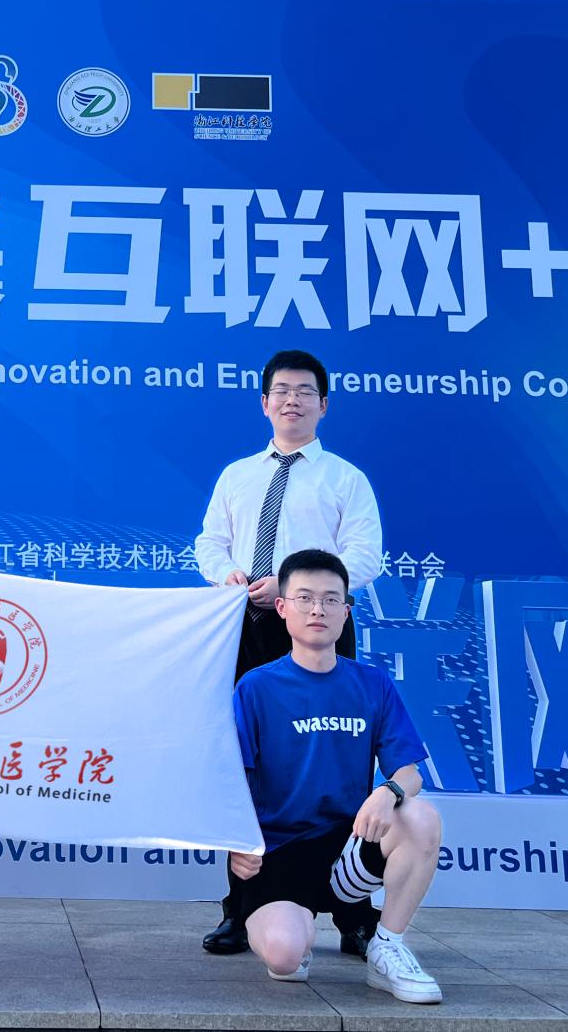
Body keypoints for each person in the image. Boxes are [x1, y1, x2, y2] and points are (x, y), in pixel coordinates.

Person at [195, 348, 383, 957]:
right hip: (247, 627)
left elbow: (365, 557)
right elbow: (210, 540)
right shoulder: (237, 475)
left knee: (339, 762)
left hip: (320, 631)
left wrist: (293, 584)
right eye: (281, 390)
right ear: (264, 403)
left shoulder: (345, 479)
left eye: (305, 391)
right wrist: (226, 573)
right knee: (245, 763)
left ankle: (354, 913)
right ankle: (240, 906)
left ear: (323, 405)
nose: (292, 400)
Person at [229, 549, 444, 1003]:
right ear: (282, 607)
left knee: (420, 817)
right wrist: (235, 841)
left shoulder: (372, 684)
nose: (317, 610)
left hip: (349, 852)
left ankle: (388, 948)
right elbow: (232, 780)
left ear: (346, 612)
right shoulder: (255, 687)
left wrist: (387, 793)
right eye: (305, 598)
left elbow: (409, 773)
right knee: (284, 956)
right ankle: (296, 934)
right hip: (280, 854)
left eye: (331, 599)